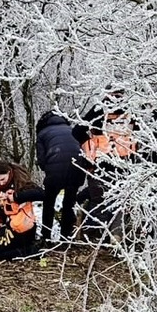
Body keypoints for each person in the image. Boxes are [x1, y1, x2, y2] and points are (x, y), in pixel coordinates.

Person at [72, 85, 139, 242]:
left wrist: (90, 146)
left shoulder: (99, 109)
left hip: (107, 163)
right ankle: (100, 234)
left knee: (108, 200)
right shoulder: (130, 112)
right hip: (118, 163)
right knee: (114, 200)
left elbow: (77, 132)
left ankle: (103, 235)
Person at [34, 110, 85, 244]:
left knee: (48, 203)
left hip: (55, 169)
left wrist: (48, 169)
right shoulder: (71, 129)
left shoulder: (42, 133)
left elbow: (41, 159)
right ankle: (65, 238)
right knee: (69, 204)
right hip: (78, 168)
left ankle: (46, 237)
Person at [0, 161, 46, 261]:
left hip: (23, 227)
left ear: (9, 172)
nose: (1, 183)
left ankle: (33, 251)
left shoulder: (21, 182)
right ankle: (29, 250)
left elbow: (41, 194)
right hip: (6, 226)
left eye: (3, 179)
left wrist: (16, 197)